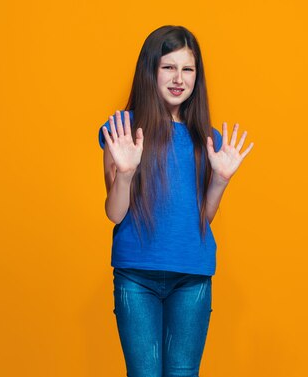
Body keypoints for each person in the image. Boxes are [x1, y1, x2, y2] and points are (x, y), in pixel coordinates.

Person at [98, 25, 254, 377]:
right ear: (150, 70)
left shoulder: (207, 138)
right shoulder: (122, 129)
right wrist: (124, 173)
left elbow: (203, 217)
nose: (178, 78)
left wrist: (220, 181)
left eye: (188, 69)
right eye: (168, 67)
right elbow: (114, 212)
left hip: (192, 276)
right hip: (136, 275)